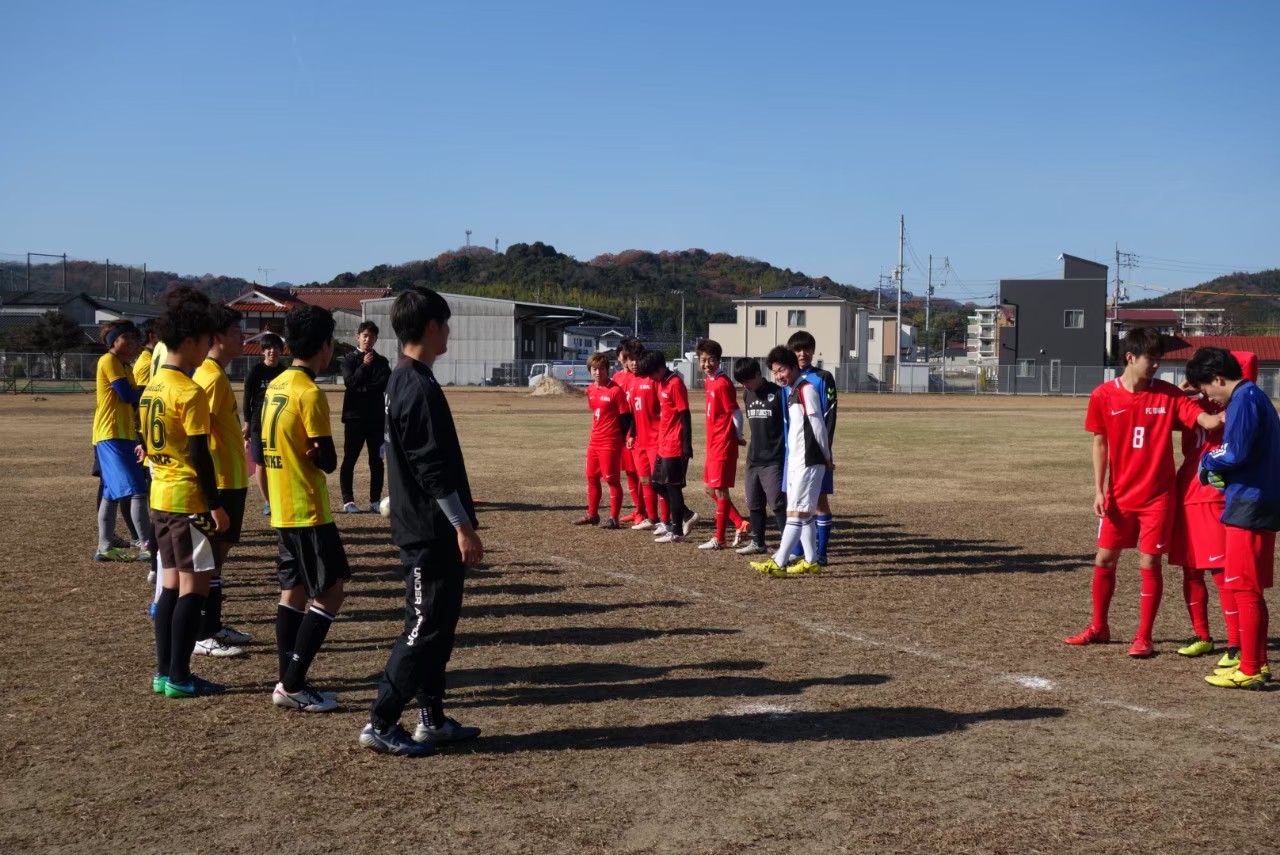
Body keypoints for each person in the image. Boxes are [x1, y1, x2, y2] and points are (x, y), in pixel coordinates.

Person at [360, 287, 482, 757]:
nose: (449, 332)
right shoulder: (414, 384)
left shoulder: (407, 378)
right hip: (428, 529)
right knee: (423, 625)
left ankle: (431, 717)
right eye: (446, 324)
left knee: (441, 624)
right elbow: (431, 467)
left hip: (430, 525)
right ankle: (381, 720)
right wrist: (462, 525)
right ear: (430, 327)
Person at [1065, 328, 1221, 657]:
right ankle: (1099, 627)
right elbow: (1100, 443)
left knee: (1150, 564)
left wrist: (1236, 402)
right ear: (1130, 358)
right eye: (1151, 360)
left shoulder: (1168, 395)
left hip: (1158, 498)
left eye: (1159, 361)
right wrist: (1098, 490)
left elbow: (1205, 421)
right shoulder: (1103, 396)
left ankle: (1143, 637)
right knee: (1104, 558)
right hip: (1119, 497)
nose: (1156, 367)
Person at [143, 287, 229, 698]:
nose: (208, 350)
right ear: (191, 340)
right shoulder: (189, 391)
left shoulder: (154, 384)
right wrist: (215, 506)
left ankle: (164, 673)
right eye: (207, 341)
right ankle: (179, 675)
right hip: (187, 500)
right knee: (194, 590)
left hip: (159, 498)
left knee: (172, 587)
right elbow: (199, 454)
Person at [265, 306, 349, 713]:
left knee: (292, 592)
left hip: (281, 505)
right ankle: (293, 684)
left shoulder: (276, 384)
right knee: (331, 592)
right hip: (307, 508)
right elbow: (328, 460)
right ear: (325, 346)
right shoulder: (310, 392)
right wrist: (321, 454)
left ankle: (288, 678)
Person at [1187, 347, 1280, 689]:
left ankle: (1252, 667)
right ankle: (1255, 661)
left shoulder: (1243, 399)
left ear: (1218, 378)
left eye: (1205, 388)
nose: (1207, 396)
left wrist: (1208, 462)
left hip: (1250, 502)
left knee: (1244, 586)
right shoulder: (1253, 396)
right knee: (1247, 587)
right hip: (1256, 498)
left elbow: (1236, 450)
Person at [1169, 350, 1258, 663]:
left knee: (1223, 572)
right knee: (1190, 570)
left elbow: (1248, 359)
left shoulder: (1234, 401)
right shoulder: (1191, 403)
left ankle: (1235, 644)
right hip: (1186, 491)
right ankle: (1202, 635)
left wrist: (1209, 373)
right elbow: (1166, 407)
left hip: (1212, 494)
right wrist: (1186, 387)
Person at [191, 306, 253, 658]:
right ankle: (203, 632)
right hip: (221, 481)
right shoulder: (210, 378)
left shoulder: (218, 375)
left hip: (232, 478)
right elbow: (197, 436)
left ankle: (213, 626)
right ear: (216, 338)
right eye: (235, 331)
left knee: (220, 553)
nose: (242, 337)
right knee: (212, 556)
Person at [750, 346, 832, 576]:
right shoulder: (792, 392)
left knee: (796, 512)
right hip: (795, 460)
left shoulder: (808, 390)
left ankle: (779, 562)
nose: (778, 376)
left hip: (808, 460)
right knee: (803, 513)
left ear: (795, 367)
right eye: (775, 372)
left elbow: (818, 427)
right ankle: (812, 560)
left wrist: (826, 457)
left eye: (782, 370)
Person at [93, 320, 151, 563]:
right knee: (137, 489)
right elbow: (127, 395)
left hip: (124, 435)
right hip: (110, 435)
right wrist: (152, 390)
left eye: (134, 338)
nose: (132, 343)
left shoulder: (125, 365)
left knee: (110, 492)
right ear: (112, 341)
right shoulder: (109, 361)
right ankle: (147, 545)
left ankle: (105, 546)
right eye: (126, 338)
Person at [786, 331, 838, 564]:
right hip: (792, 454)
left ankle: (822, 553)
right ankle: (798, 551)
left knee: (818, 502)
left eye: (807, 349)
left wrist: (824, 451)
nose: (802, 354)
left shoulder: (823, 378)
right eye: (797, 349)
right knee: (795, 503)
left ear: (813, 351)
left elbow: (828, 417)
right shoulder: (786, 380)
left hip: (815, 453)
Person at [694, 340, 749, 550]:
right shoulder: (710, 381)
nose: (707, 364)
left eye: (711, 360)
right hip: (712, 444)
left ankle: (720, 538)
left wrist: (738, 434)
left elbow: (735, 411)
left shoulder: (723, 383)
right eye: (703, 360)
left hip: (723, 444)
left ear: (718, 360)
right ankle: (739, 522)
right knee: (709, 489)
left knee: (721, 490)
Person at [733, 357, 788, 556]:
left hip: (773, 459)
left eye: (747, 381)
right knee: (754, 503)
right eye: (741, 383)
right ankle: (758, 542)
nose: (744, 386)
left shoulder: (778, 393)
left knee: (778, 503)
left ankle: (786, 545)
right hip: (753, 459)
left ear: (758, 374)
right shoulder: (747, 395)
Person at [641, 350, 697, 544]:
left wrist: (687, 444)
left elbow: (685, 414)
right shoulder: (660, 383)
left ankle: (676, 531)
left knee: (673, 488)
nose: (650, 378)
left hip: (675, 443)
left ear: (659, 369)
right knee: (656, 483)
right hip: (663, 442)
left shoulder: (675, 384)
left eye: (651, 374)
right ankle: (687, 514)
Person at [339, 321, 392, 514]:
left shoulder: (382, 361)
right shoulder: (348, 360)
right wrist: (364, 366)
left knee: (376, 461)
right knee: (350, 459)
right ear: (358, 337)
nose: (368, 340)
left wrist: (364, 388)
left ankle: (375, 500)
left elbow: (384, 384)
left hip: (376, 419)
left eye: (372, 336)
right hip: (354, 418)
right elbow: (350, 383)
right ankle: (348, 500)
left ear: (376, 339)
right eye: (365, 336)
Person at [574, 352, 631, 528]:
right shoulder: (590, 389)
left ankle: (614, 518)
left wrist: (620, 439)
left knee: (612, 480)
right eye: (595, 369)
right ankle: (592, 514)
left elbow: (626, 417)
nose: (598, 373)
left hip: (610, 442)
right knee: (591, 477)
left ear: (608, 369)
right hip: (594, 441)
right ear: (590, 370)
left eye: (602, 369)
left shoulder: (615, 390)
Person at [626, 343, 668, 532]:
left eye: (636, 359)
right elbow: (635, 412)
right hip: (640, 441)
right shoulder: (632, 381)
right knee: (644, 480)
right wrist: (632, 434)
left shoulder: (654, 380)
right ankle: (652, 518)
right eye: (630, 359)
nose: (634, 363)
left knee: (660, 482)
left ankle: (666, 521)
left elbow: (665, 408)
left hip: (656, 440)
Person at [243, 332, 286, 515]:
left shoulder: (284, 371)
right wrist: (246, 423)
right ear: (262, 351)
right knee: (260, 462)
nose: (272, 351)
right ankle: (268, 501)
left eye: (276, 347)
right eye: (268, 348)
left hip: (278, 423)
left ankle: (280, 497)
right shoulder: (256, 372)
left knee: (278, 461)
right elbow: (247, 399)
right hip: (258, 423)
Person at [612, 340, 647, 524]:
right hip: (621, 430)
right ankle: (637, 509)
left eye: (629, 357)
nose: (625, 360)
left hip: (636, 430)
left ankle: (643, 511)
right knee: (629, 472)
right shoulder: (616, 378)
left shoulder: (638, 377)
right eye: (624, 357)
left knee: (641, 473)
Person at [132, 320, 158, 387]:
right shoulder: (148, 364)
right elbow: (143, 394)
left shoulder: (146, 357)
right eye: (161, 333)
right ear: (152, 336)